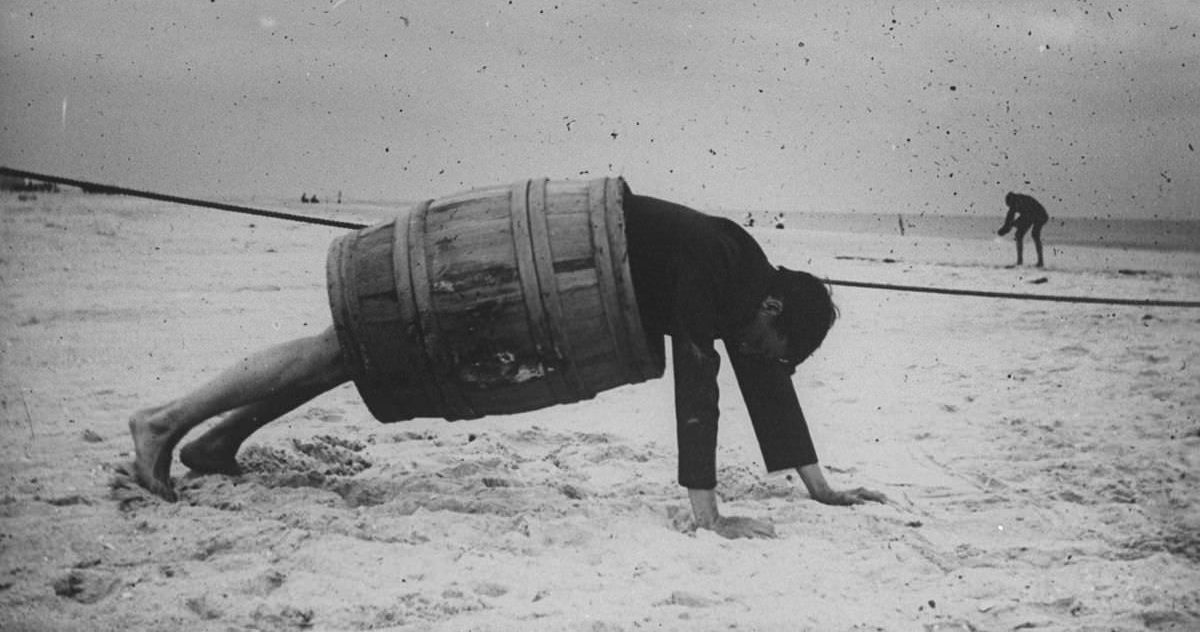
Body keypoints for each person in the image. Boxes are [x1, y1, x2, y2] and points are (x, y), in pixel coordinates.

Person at [126, 185, 886, 538]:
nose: (764, 355)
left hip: (552, 279)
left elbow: (759, 378)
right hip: (532, 268)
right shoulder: (724, 264)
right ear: (775, 311)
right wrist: (708, 515)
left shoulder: (748, 281)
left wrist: (821, 488)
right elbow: (700, 375)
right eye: (775, 345)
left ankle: (217, 439)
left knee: (354, 358)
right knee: (342, 346)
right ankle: (163, 422)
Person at [997, 191, 1049, 268]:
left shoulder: (1022, 201)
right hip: (1031, 215)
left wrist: (1013, 224)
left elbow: (1027, 217)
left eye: (1010, 205)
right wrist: (1004, 229)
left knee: (1034, 235)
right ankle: (1020, 261)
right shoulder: (1014, 205)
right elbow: (1009, 221)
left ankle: (1040, 262)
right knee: (1019, 235)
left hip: (1040, 215)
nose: (1011, 207)